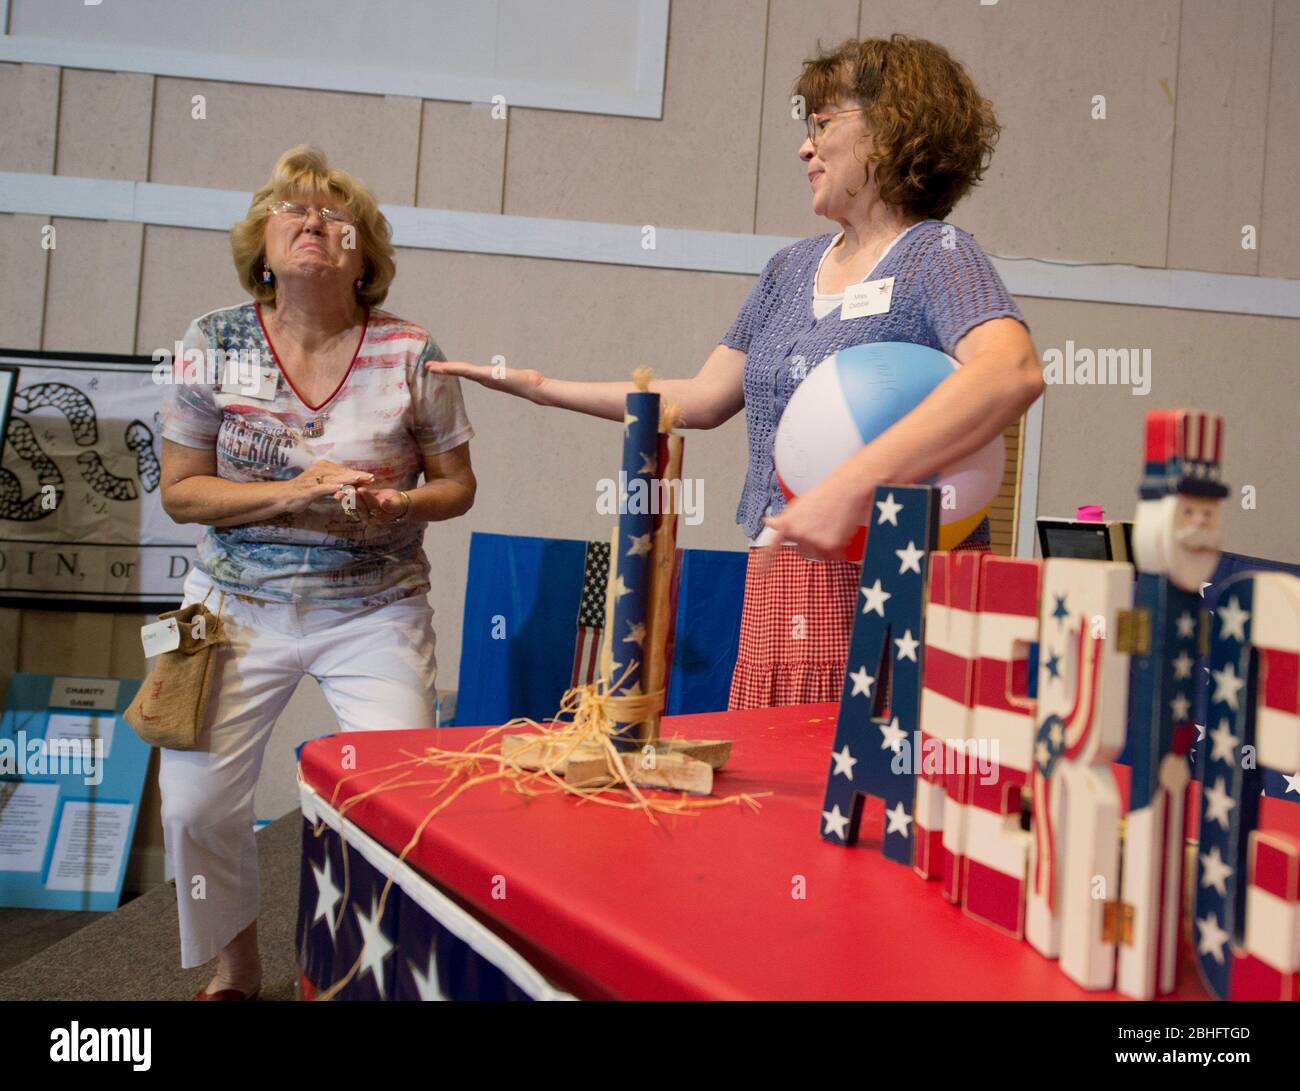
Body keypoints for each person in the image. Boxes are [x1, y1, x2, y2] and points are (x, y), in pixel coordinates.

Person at [426, 34, 1042, 711]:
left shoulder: (937, 253)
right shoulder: (788, 269)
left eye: (822, 124)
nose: (804, 148)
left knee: (865, 801)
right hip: (784, 577)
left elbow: (1010, 372)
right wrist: (543, 389)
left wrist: (849, 488)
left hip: (891, 583)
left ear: (892, 130)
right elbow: (701, 396)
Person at [157, 145, 476, 1000]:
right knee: (192, 805)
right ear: (261, 246)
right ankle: (237, 967)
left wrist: (400, 507)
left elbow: (456, 486)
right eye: (291, 209)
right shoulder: (212, 341)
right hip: (222, 601)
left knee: (401, 793)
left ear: (364, 256)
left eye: (337, 217)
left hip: (374, 604)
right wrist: (290, 491)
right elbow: (181, 494)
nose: (314, 223)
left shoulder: (410, 350)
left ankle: (364, 972)